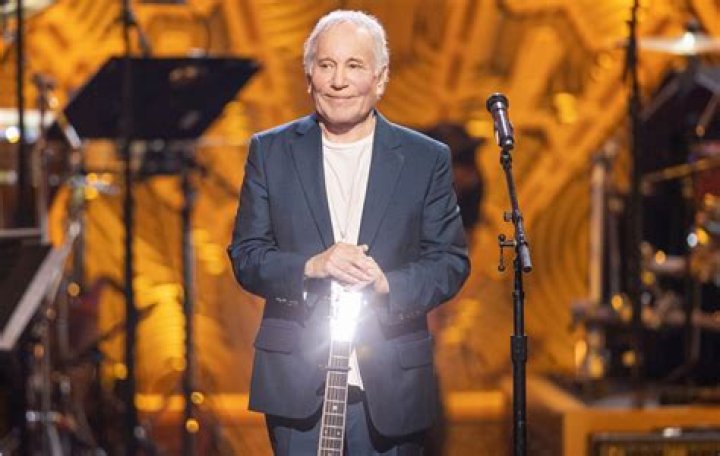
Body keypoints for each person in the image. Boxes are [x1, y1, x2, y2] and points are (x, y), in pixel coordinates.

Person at [228, 9, 469, 455]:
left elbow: (450, 262)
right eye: (326, 65)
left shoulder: (424, 159)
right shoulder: (271, 151)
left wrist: (387, 284)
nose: (338, 81)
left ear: (380, 78)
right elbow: (247, 256)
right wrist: (311, 266)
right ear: (309, 77)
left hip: (392, 384)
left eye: (354, 65)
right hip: (297, 384)